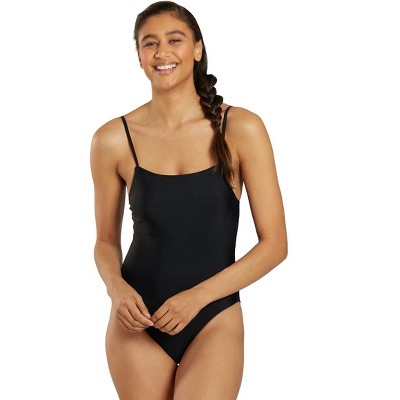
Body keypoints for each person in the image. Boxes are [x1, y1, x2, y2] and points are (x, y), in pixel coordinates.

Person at [90, 1, 287, 399]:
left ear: (197, 48)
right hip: (138, 320)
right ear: (139, 56)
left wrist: (197, 298)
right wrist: (116, 289)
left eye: (174, 40)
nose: (161, 52)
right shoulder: (112, 139)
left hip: (213, 315)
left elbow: (275, 245)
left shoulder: (241, 128)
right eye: (150, 43)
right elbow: (106, 241)